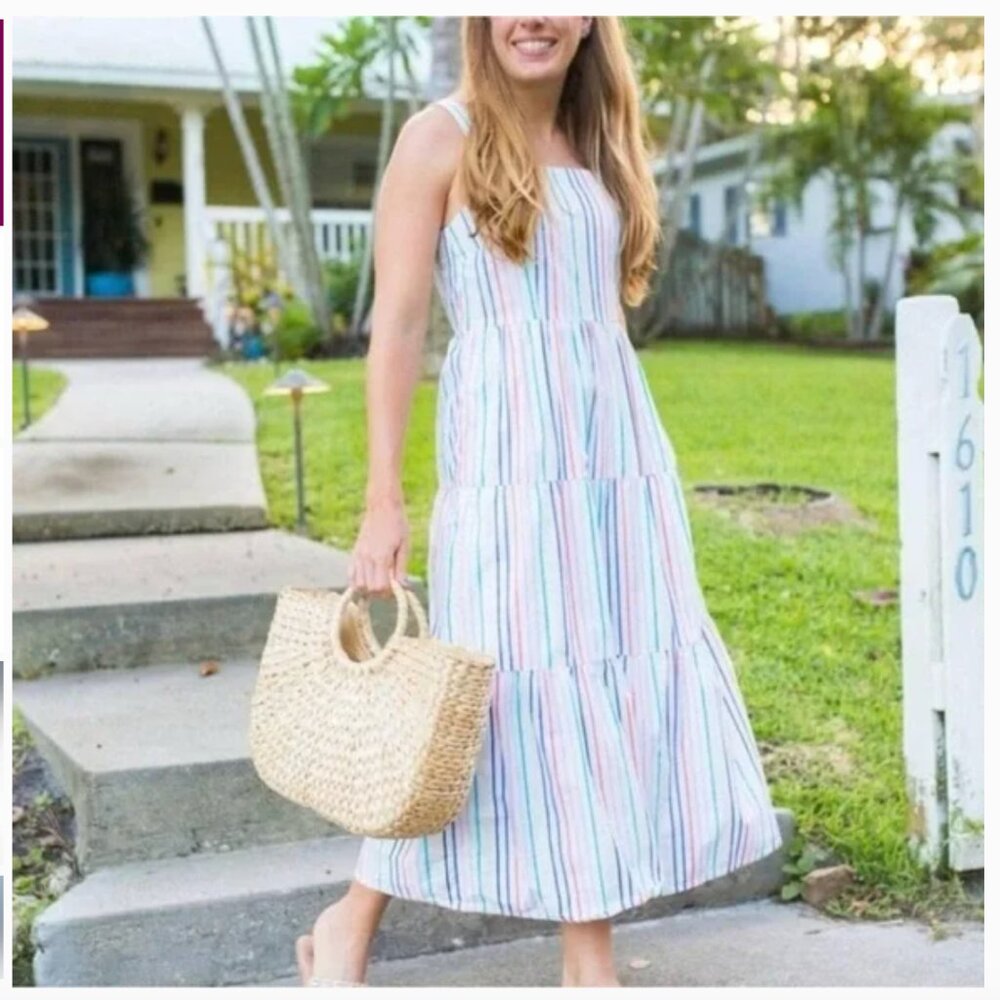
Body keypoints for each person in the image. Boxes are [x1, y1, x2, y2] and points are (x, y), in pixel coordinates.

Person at [297, 15, 785, 989]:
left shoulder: (601, 141)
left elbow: (597, 319)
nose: (535, 17)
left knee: (598, 684)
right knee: (498, 697)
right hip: (505, 467)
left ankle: (585, 958)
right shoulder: (438, 137)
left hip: (614, 468)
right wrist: (381, 501)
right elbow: (395, 326)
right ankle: (351, 916)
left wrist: (629, 473)